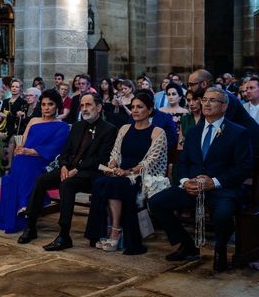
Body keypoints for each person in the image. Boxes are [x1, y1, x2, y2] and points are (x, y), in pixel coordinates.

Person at [149, 87, 253, 271]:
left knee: (222, 213)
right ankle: (187, 245)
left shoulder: (238, 133)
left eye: (212, 100)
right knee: (156, 202)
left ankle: (220, 250)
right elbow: (183, 163)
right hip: (193, 186)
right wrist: (185, 181)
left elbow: (243, 167)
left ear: (224, 107)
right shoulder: (194, 132)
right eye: (204, 100)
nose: (206, 103)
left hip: (222, 188)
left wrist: (215, 182)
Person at [18, 93, 117, 250]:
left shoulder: (109, 129)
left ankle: (64, 235)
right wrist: (64, 166)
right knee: (42, 180)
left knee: (67, 185)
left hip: (90, 173)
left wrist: (76, 169)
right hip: (69, 168)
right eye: (82, 105)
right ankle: (31, 226)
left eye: (88, 105)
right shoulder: (78, 126)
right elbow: (66, 151)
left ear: (98, 107)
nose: (84, 109)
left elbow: (101, 158)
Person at [85, 91, 167, 255]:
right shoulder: (124, 128)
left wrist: (128, 171)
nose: (135, 110)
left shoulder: (157, 132)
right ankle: (101, 232)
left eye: (140, 107)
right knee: (100, 182)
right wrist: (113, 165)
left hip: (141, 177)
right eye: (133, 107)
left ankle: (115, 230)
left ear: (150, 110)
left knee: (116, 184)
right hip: (121, 173)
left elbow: (151, 161)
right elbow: (115, 153)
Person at [0, 90, 69, 233]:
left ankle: (26, 205)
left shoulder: (62, 126)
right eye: (44, 104)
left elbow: (55, 148)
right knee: (20, 160)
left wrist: (29, 152)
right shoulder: (33, 121)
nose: (46, 107)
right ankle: (23, 206)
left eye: (50, 104)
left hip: (45, 160)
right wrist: (20, 149)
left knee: (24, 162)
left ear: (57, 106)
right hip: (26, 157)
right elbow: (24, 141)